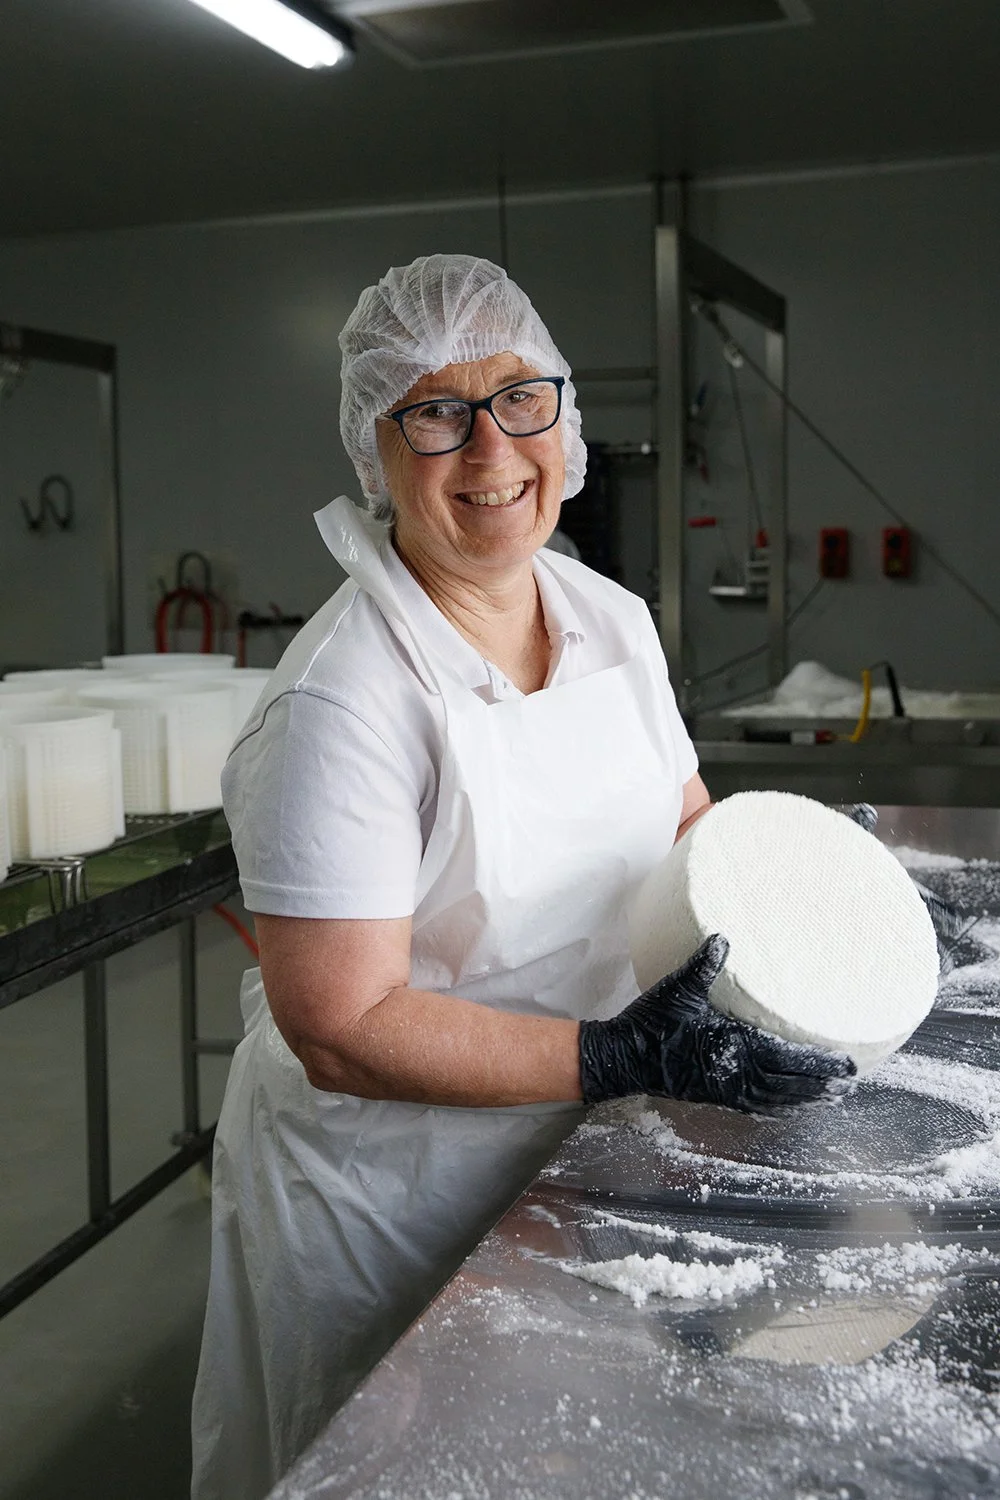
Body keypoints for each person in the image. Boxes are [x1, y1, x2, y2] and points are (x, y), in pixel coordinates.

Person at [190, 254, 854, 1500]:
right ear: (377, 450)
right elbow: (340, 1024)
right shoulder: (347, 696)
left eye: (520, 398)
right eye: (435, 413)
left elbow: (682, 824)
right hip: (391, 1194)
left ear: (566, 416)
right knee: (405, 1461)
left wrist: (794, 899)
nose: (490, 447)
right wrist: (616, 1057)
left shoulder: (606, 617)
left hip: (572, 1158)